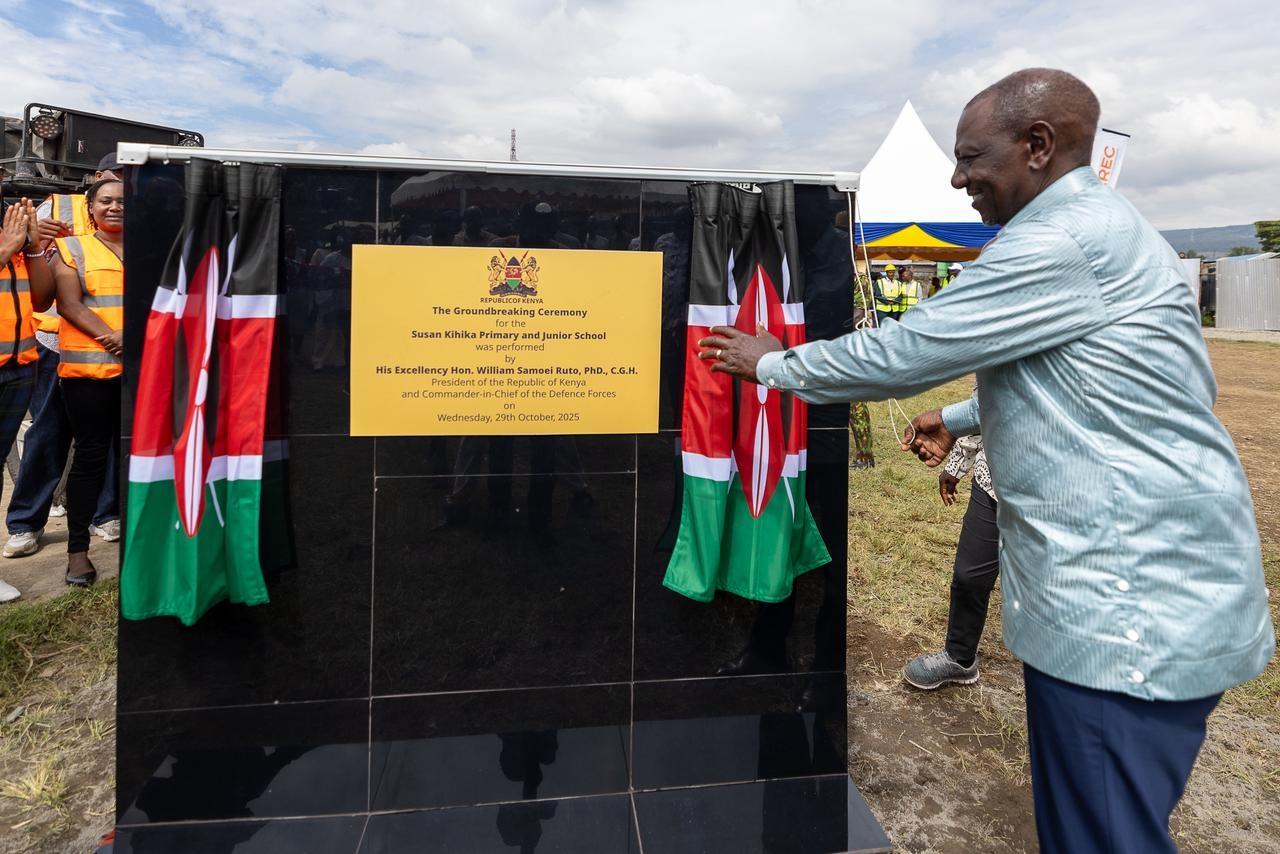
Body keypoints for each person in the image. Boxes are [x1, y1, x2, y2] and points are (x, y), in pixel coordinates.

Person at [698, 68, 1274, 853]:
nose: (956, 175)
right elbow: (1080, 381)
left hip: (1126, 620)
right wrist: (961, 416)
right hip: (1144, 601)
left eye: (971, 156)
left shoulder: (1060, 240)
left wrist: (774, 363)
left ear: (1038, 146)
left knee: (1102, 836)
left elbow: (907, 350)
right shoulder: (1100, 228)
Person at [5, 155, 123, 559]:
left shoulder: (139, 224)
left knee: (104, 442)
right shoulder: (53, 206)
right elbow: (26, 257)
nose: (120, 189)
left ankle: (104, 514)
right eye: (113, 178)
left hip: (115, 355)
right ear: (95, 181)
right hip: (60, 345)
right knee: (49, 433)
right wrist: (36, 239)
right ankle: (26, 522)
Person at [49, 178, 125, 587]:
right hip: (90, 376)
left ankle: (141, 542)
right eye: (106, 201)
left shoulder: (154, 247)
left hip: (145, 375)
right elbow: (69, 304)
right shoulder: (70, 247)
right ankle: (77, 551)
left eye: (123, 202)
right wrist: (119, 341)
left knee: (138, 460)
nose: (115, 208)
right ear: (91, 207)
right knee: (90, 459)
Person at [902, 428, 998, 689]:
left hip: (1054, 491)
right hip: (993, 485)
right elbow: (983, 408)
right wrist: (955, 466)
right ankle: (959, 658)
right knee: (969, 576)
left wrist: (942, 419)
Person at [0, 195, 57, 601]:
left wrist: (32, 247)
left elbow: (39, 300)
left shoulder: (13, 229)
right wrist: (5, 250)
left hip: (19, 366)